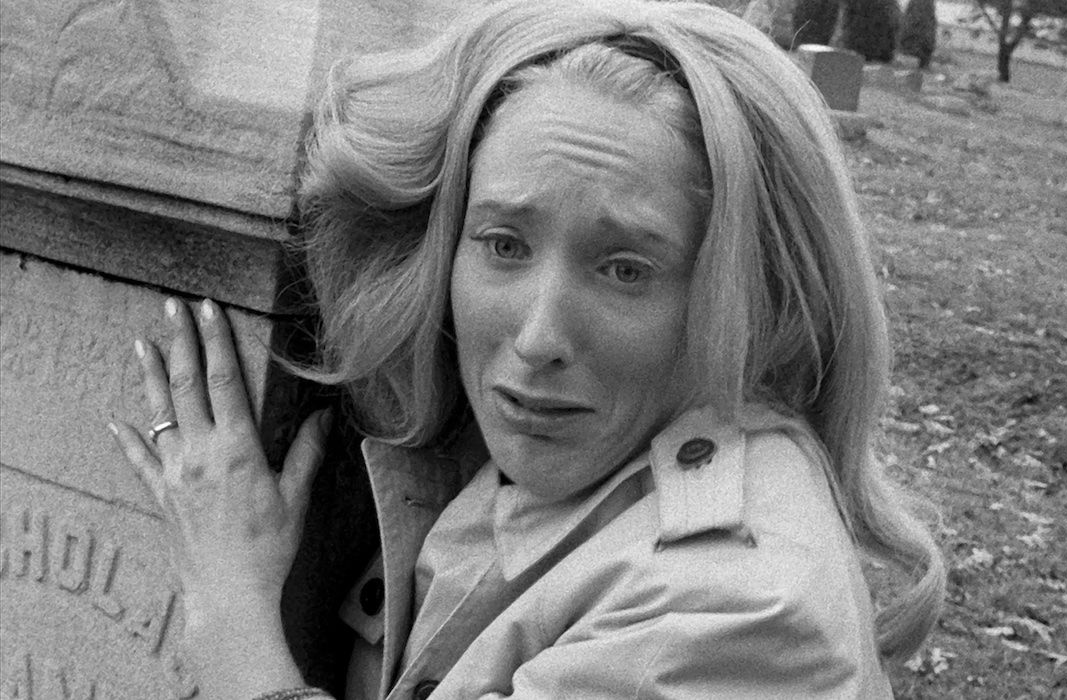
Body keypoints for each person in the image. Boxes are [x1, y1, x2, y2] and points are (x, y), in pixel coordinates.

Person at [108, 1, 946, 698]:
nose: (540, 337)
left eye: (625, 270)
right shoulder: (555, 449)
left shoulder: (734, 607)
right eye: (504, 245)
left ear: (745, 298)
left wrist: (231, 613)